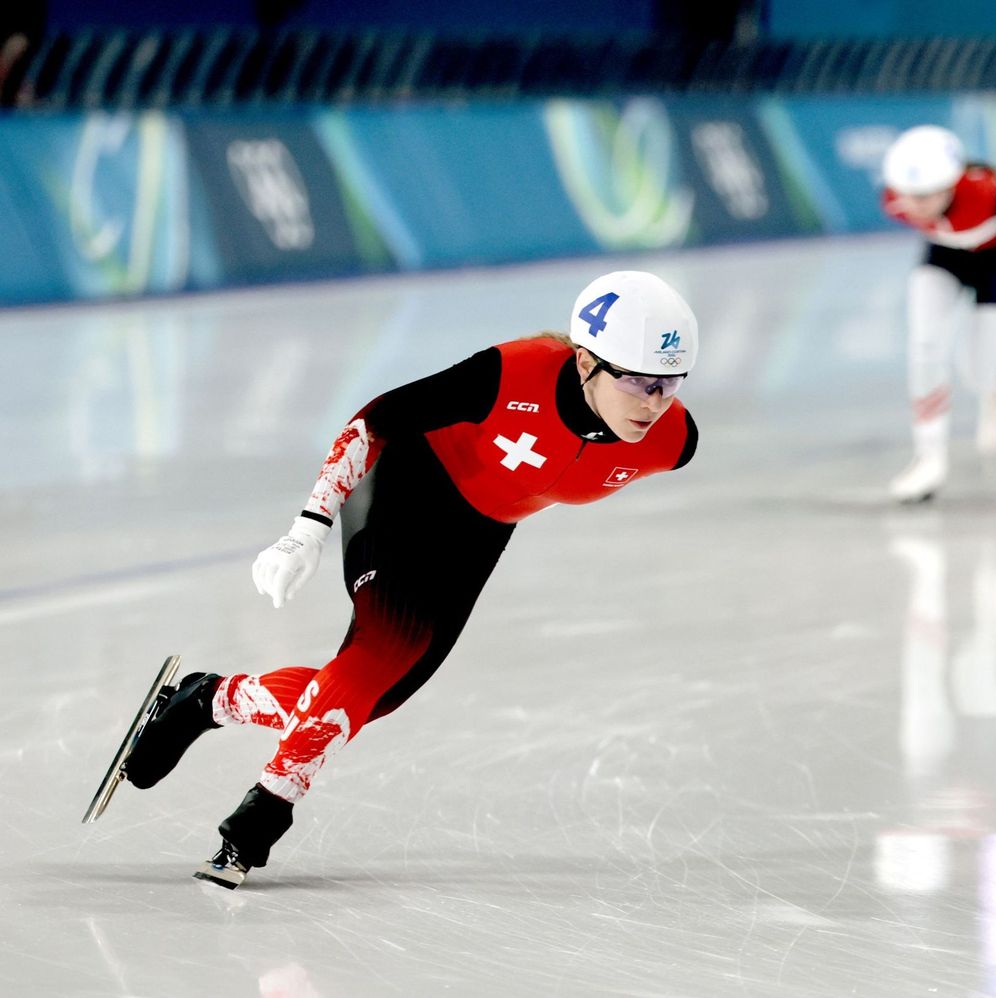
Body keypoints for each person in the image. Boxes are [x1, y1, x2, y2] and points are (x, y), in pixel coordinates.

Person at [116, 271, 701, 887]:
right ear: (585, 362)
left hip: (476, 536)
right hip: (404, 488)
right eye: (639, 381)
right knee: (378, 656)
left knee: (372, 699)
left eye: (670, 384)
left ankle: (207, 699)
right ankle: (258, 819)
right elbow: (374, 422)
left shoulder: (670, 441)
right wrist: (309, 524)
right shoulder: (509, 376)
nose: (654, 402)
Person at [879, 124, 996, 502]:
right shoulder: (894, 199)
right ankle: (928, 457)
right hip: (944, 257)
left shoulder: (991, 195)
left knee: (979, 371)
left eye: (926, 196)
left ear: (950, 186)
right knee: (924, 345)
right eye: (911, 195)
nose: (916, 205)